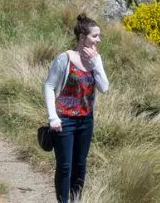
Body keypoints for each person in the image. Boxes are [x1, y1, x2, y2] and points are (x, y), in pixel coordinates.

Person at [44, 13, 110, 203]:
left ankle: (75, 199)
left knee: (80, 165)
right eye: (95, 36)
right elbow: (49, 86)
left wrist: (97, 64)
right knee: (65, 166)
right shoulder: (65, 58)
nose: (99, 40)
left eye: (99, 36)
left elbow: (104, 88)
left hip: (86, 120)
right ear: (82, 38)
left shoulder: (96, 60)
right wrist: (52, 117)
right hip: (63, 120)